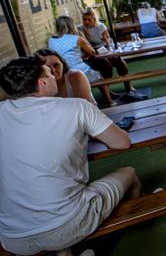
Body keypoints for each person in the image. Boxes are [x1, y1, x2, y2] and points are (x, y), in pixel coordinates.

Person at [0, 56, 142, 256]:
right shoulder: (76, 107)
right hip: (66, 225)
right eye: (50, 73)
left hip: (12, 237)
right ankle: (122, 233)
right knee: (130, 173)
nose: (54, 76)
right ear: (42, 82)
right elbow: (122, 142)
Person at [48, 15, 111, 103]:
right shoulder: (77, 39)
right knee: (100, 78)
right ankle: (110, 101)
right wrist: (82, 36)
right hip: (78, 70)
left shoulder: (51, 39)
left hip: (62, 71)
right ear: (71, 25)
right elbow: (93, 53)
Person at [79, 8, 134, 93]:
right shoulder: (80, 29)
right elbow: (84, 44)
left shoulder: (100, 26)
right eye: (84, 19)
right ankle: (107, 90)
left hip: (104, 49)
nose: (86, 22)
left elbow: (109, 40)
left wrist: (106, 40)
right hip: (91, 53)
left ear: (94, 18)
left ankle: (128, 87)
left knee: (120, 62)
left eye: (89, 20)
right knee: (106, 66)